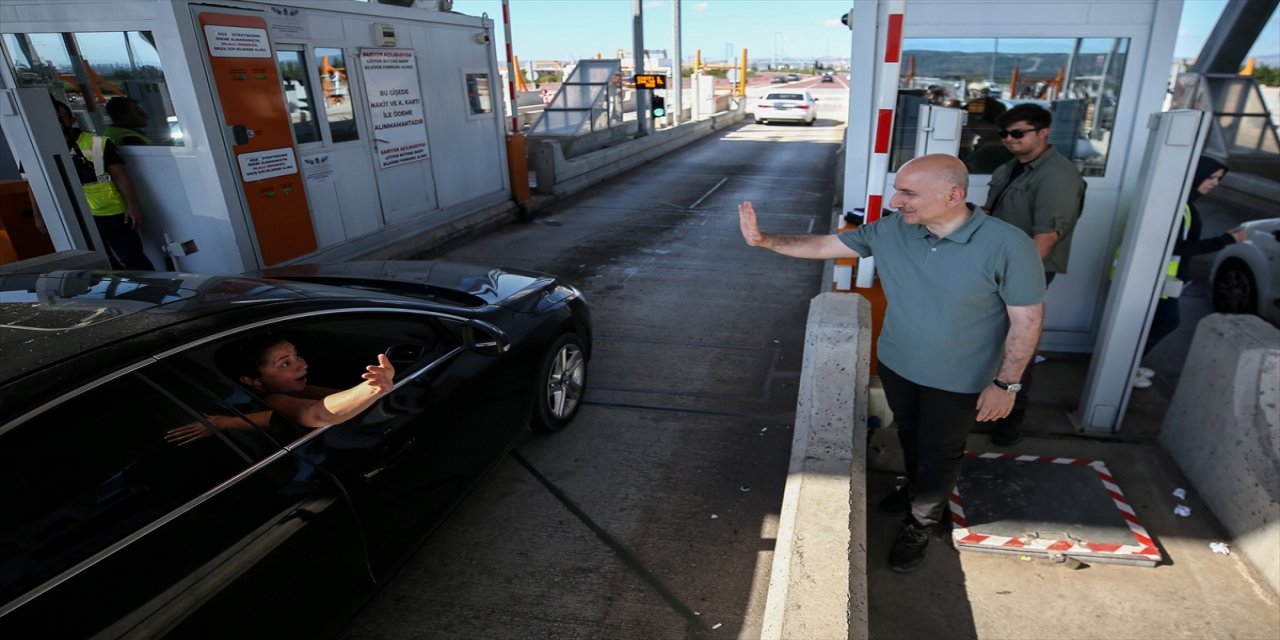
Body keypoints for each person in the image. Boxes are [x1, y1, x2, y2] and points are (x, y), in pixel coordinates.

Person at [738, 154, 1045, 573]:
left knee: (941, 452)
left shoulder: (1009, 245)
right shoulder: (893, 230)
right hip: (899, 363)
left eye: (908, 193)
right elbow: (828, 245)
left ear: (953, 195)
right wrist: (765, 240)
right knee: (911, 435)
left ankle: (921, 520)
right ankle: (917, 490)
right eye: (898, 190)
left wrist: (1006, 385)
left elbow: (1026, 320)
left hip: (960, 378)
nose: (897, 202)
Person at [981, 102, 1085, 446]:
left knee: (1017, 347)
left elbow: (1045, 239)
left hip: (1023, 274)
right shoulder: (1014, 167)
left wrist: (1012, 281)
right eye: (1004, 134)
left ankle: (1011, 419)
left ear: (1044, 133)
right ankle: (986, 404)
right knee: (986, 341)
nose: (1009, 139)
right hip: (995, 268)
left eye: (1018, 133)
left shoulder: (1057, 176)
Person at [1134, 156, 1247, 387]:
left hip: (1160, 278)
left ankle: (1129, 365)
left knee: (1151, 323)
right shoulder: (1178, 205)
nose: (1215, 183)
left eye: (1219, 179)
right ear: (1195, 175)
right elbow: (1176, 246)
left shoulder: (1183, 203)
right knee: (1166, 322)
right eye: (1211, 177)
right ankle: (1124, 369)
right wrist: (1226, 240)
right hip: (1157, 278)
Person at [165, 333, 395, 445]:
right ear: (253, 381)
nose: (302, 364)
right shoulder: (273, 399)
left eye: (296, 355)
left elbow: (332, 397)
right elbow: (317, 413)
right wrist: (374, 387)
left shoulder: (291, 390)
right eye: (285, 363)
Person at [48, 97, 155, 270]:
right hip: (77, 215)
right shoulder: (42, 149)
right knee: (99, 264)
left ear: (72, 120)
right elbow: (34, 183)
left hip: (112, 212)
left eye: (61, 118)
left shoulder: (97, 143)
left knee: (133, 258)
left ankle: (151, 294)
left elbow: (120, 175)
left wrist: (132, 206)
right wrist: (40, 217)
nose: (57, 123)